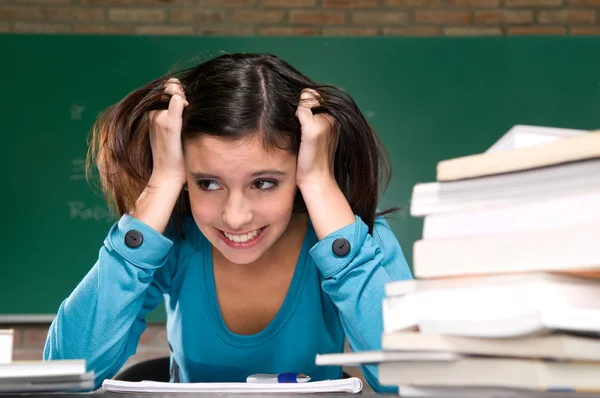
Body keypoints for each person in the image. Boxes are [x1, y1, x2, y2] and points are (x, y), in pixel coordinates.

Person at [43, 52, 413, 393]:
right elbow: (64, 375)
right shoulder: (173, 238)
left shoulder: (354, 238)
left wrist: (320, 182)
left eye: (264, 183)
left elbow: (409, 381)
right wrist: (162, 184)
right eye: (208, 183)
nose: (235, 217)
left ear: (300, 170)